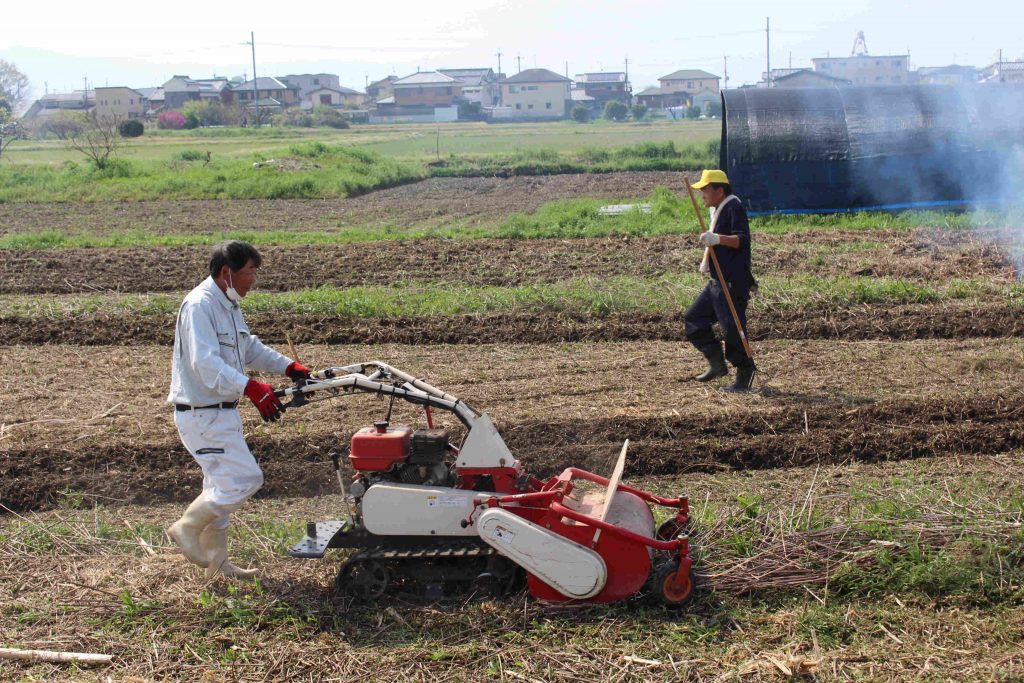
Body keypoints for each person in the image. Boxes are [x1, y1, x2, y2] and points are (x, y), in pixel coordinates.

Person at [166, 241, 311, 579]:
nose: (253, 280)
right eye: (250, 273)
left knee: (219, 489)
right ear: (227, 273)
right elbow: (205, 363)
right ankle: (186, 528)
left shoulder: (228, 305)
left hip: (220, 413)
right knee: (245, 478)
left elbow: (247, 347)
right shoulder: (200, 306)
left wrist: (288, 367)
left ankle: (217, 568)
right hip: (201, 413)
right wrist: (249, 387)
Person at [684, 170, 757, 392]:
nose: (702, 194)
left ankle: (745, 374)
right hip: (717, 282)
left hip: (732, 282)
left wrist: (717, 239)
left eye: (705, 189)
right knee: (694, 319)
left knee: (733, 331)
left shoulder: (733, 207)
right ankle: (717, 365)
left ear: (719, 190)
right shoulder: (717, 210)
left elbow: (742, 240)